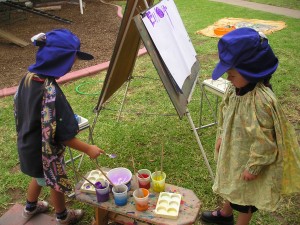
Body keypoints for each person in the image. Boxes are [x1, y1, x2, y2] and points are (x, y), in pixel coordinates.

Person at [200, 27, 300, 225]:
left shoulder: (261, 102)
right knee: (230, 181)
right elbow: (225, 111)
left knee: (245, 198)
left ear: (251, 71)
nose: (228, 78)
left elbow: (266, 143)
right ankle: (226, 213)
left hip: (248, 159)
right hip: (233, 152)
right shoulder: (234, 87)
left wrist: (253, 168)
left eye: (232, 74)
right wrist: (221, 135)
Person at [14, 29, 105, 225]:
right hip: (45, 154)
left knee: (38, 178)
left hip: (28, 146)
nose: (73, 64)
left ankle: (30, 207)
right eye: (72, 60)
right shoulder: (51, 93)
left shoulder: (28, 78)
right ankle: (63, 216)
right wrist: (89, 149)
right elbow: (63, 136)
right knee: (55, 183)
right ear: (61, 60)